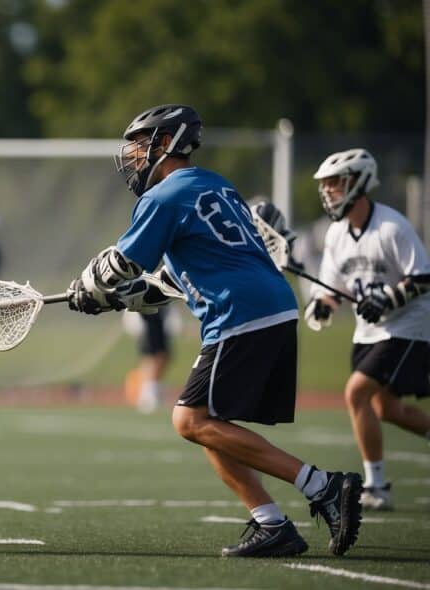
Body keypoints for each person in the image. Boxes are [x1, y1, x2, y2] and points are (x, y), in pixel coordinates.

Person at [66, 104, 362, 558]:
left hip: (240, 314)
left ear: (166, 143)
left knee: (189, 420)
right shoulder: (216, 185)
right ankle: (271, 524)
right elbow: (167, 282)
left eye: (141, 144)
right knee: (203, 422)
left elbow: (121, 264)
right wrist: (117, 298)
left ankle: (322, 485)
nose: (133, 155)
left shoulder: (164, 196)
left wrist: (88, 289)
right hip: (270, 308)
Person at [304, 148, 430, 512]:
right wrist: (321, 305)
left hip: (406, 326)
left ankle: (377, 486)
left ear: (358, 182)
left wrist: (388, 300)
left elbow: (422, 275)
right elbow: (331, 289)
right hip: (368, 331)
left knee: (356, 393)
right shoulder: (335, 235)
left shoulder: (392, 226)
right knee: (388, 409)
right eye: (325, 186)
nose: (328, 192)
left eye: (335, 184)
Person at [122, 306, 171, 414]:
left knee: (152, 355)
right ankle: (149, 395)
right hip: (148, 315)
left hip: (151, 316)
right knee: (157, 355)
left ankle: (149, 393)